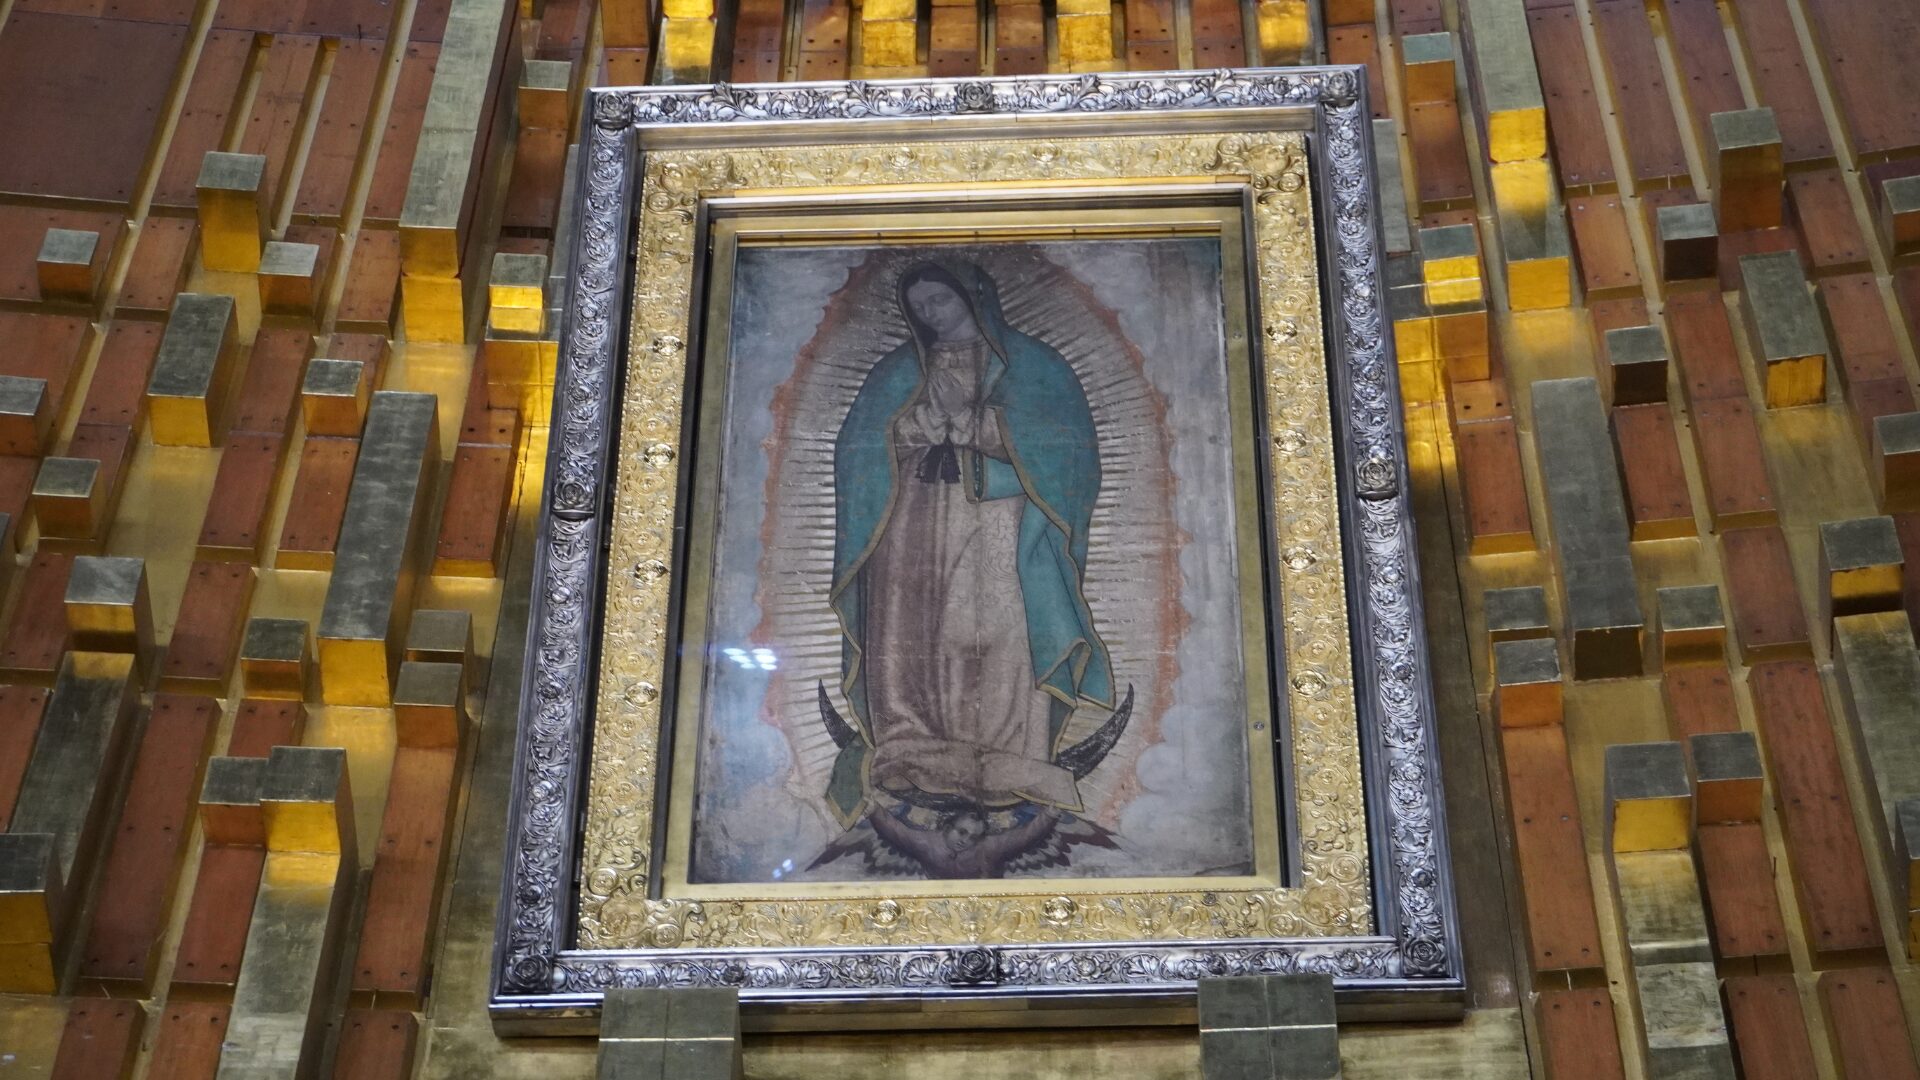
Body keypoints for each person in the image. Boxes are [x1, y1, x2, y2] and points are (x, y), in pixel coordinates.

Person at [822, 259, 1115, 851]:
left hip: (998, 521)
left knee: (999, 630)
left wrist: (977, 425)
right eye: (920, 306)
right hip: (911, 523)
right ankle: (911, 744)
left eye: (941, 301)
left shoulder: (1032, 367)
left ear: (973, 297)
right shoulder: (898, 371)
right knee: (912, 631)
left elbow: (1068, 454)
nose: (930, 314)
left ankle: (1009, 752)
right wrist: (916, 426)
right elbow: (859, 450)